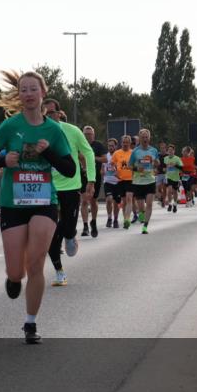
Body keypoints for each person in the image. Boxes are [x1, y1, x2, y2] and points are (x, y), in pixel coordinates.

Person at [0, 71, 74, 343]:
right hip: (13, 203)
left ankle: (30, 323)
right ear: (19, 95)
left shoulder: (54, 130)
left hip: (44, 202)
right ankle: (13, 278)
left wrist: (48, 152)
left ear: (43, 93)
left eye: (33, 89)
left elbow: (69, 169)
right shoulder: (10, 126)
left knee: (35, 262)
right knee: (16, 271)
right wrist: (3, 161)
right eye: (24, 89)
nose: (29, 94)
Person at [44, 101, 95, 286]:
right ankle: (59, 272)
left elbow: (88, 153)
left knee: (66, 228)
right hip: (47, 188)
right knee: (49, 232)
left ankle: (70, 234)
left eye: (52, 112)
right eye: (45, 113)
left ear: (59, 113)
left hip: (70, 186)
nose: (48, 116)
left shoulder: (72, 131)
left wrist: (91, 180)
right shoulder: (37, 132)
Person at [129, 129, 160, 234]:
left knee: (149, 204)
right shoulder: (135, 151)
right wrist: (137, 169)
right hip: (138, 181)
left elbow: (157, 163)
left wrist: (156, 163)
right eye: (143, 137)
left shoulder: (154, 150)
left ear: (149, 138)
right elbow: (129, 166)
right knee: (141, 206)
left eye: (146, 137)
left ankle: (145, 226)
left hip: (150, 180)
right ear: (140, 139)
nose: (145, 139)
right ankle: (141, 213)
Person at [80, 125, 106, 238]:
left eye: (90, 134)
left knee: (93, 200)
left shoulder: (98, 145)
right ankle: (85, 226)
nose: (88, 136)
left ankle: (93, 221)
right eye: (86, 134)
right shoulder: (79, 144)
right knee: (84, 200)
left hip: (95, 176)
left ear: (93, 135)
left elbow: (105, 159)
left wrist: (92, 158)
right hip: (82, 175)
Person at [111, 135, 134, 229]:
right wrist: (114, 171)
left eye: (127, 142)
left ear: (130, 143)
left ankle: (128, 218)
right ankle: (125, 219)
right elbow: (112, 164)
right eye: (124, 142)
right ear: (121, 143)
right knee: (124, 201)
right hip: (120, 180)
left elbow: (137, 164)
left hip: (131, 179)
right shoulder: (116, 153)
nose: (125, 144)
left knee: (129, 198)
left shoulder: (133, 153)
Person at [102, 138, 121, 227]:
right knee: (109, 199)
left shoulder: (119, 156)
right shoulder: (106, 156)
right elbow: (102, 168)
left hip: (117, 182)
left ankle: (115, 219)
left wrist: (117, 170)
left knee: (116, 202)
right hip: (108, 181)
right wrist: (102, 171)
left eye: (112, 146)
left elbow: (124, 168)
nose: (110, 147)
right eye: (109, 146)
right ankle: (109, 218)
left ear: (116, 146)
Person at [163, 144, 183, 213]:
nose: (170, 151)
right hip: (168, 177)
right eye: (169, 150)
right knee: (169, 190)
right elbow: (164, 167)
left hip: (176, 178)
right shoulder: (165, 158)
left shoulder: (177, 158)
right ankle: (170, 204)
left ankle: (175, 204)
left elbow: (181, 167)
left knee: (175, 191)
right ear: (167, 151)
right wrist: (164, 169)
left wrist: (175, 165)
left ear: (174, 151)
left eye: (171, 150)